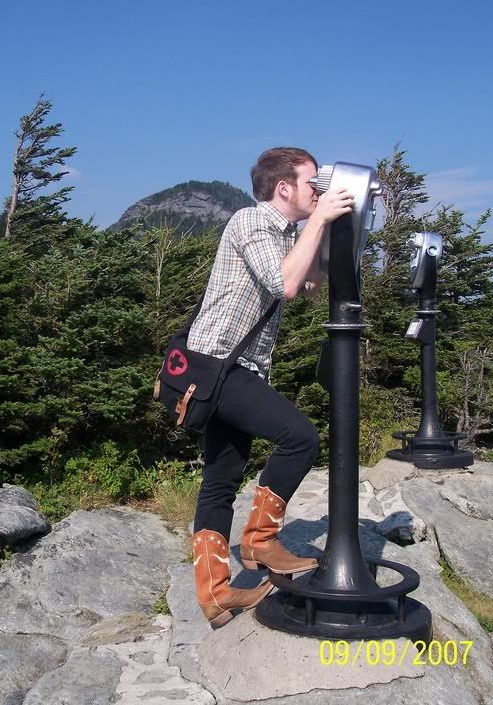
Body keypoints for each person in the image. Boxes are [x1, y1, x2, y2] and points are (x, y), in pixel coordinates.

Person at [187, 147, 355, 628]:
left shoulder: (284, 234)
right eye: (311, 184)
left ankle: (216, 596)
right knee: (299, 438)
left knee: (221, 480)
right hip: (220, 364)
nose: (318, 192)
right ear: (284, 187)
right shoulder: (251, 221)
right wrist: (319, 219)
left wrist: (326, 232)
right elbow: (284, 284)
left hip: (230, 367)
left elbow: (308, 284)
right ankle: (259, 541)